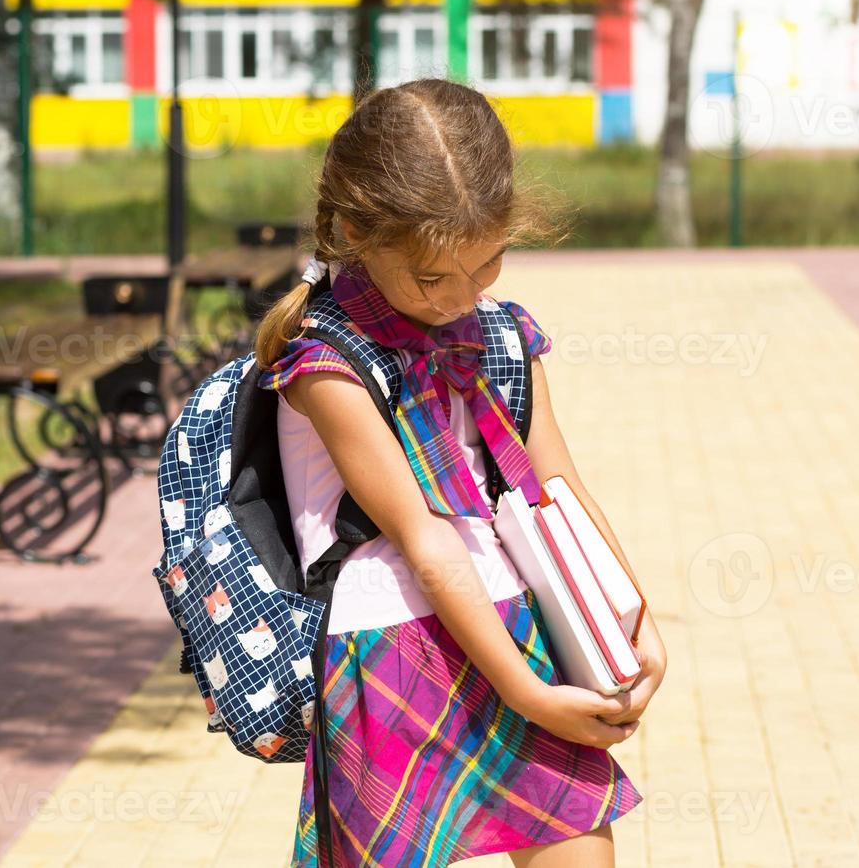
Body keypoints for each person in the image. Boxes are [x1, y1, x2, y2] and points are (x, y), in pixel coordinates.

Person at [252, 78, 667, 867]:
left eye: (488, 265)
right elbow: (424, 542)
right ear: (353, 231)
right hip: (388, 650)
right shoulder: (325, 361)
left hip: (511, 618)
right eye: (431, 277)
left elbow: (559, 492)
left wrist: (634, 614)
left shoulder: (502, 336)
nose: (460, 298)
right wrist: (526, 692)